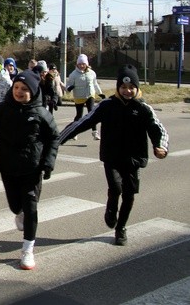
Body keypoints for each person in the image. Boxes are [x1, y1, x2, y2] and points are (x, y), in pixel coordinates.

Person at [59, 65, 169, 246]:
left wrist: (161, 146)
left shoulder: (143, 108)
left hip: (133, 158)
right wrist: (59, 139)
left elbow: (158, 129)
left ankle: (121, 228)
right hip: (112, 157)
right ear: (118, 88)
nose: (127, 91)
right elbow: (83, 122)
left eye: (131, 87)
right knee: (116, 188)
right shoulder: (107, 106)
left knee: (129, 194)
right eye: (123, 87)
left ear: (137, 88)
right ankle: (111, 209)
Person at [0, 70, 60, 271]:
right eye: (16, 87)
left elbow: (53, 138)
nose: (19, 92)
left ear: (32, 92)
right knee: (16, 207)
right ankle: (19, 212)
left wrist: (48, 162)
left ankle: (28, 250)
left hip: (32, 169)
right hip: (8, 167)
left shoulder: (41, 113)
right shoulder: (1, 110)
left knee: (31, 208)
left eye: (24, 89)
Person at [66, 54, 105, 140]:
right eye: (79, 64)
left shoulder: (92, 73)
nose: (81, 66)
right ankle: (74, 132)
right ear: (77, 64)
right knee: (79, 115)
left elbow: (95, 84)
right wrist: (69, 88)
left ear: (87, 64)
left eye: (83, 64)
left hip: (90, 95)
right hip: (79, 96)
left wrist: (100, 93)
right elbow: (68, 85)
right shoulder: (73, 74)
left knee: (91, 113)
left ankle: (95, 133)